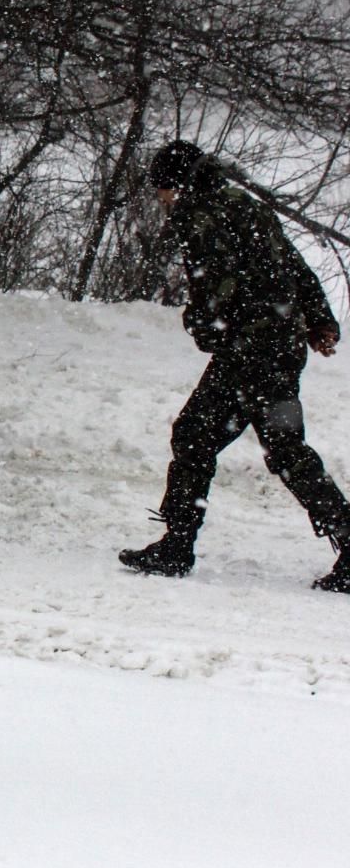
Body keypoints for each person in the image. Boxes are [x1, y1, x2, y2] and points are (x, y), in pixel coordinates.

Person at [120, 140, 350, 592]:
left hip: (251, 349)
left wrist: (205, 326)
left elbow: (215, 282)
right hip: (280, 343)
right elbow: (293, 262)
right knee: (285, 449)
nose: (162, 200)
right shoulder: (243, 203)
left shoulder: (197, 214)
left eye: (162, 190)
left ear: (177, 185)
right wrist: (318, 317)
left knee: (193, 436)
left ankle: (177, 544)